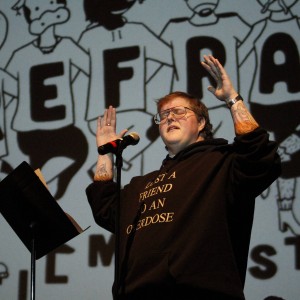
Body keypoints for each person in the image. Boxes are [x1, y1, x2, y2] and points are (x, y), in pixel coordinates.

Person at [86, 55, 281, 300]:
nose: (169, 117)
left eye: (179, 111)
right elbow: (105, 208)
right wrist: (104, 153)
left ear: (201, 122)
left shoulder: (222, 163)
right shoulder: (140, 185)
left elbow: (261, 157)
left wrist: (233, 99)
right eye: (163, 115)